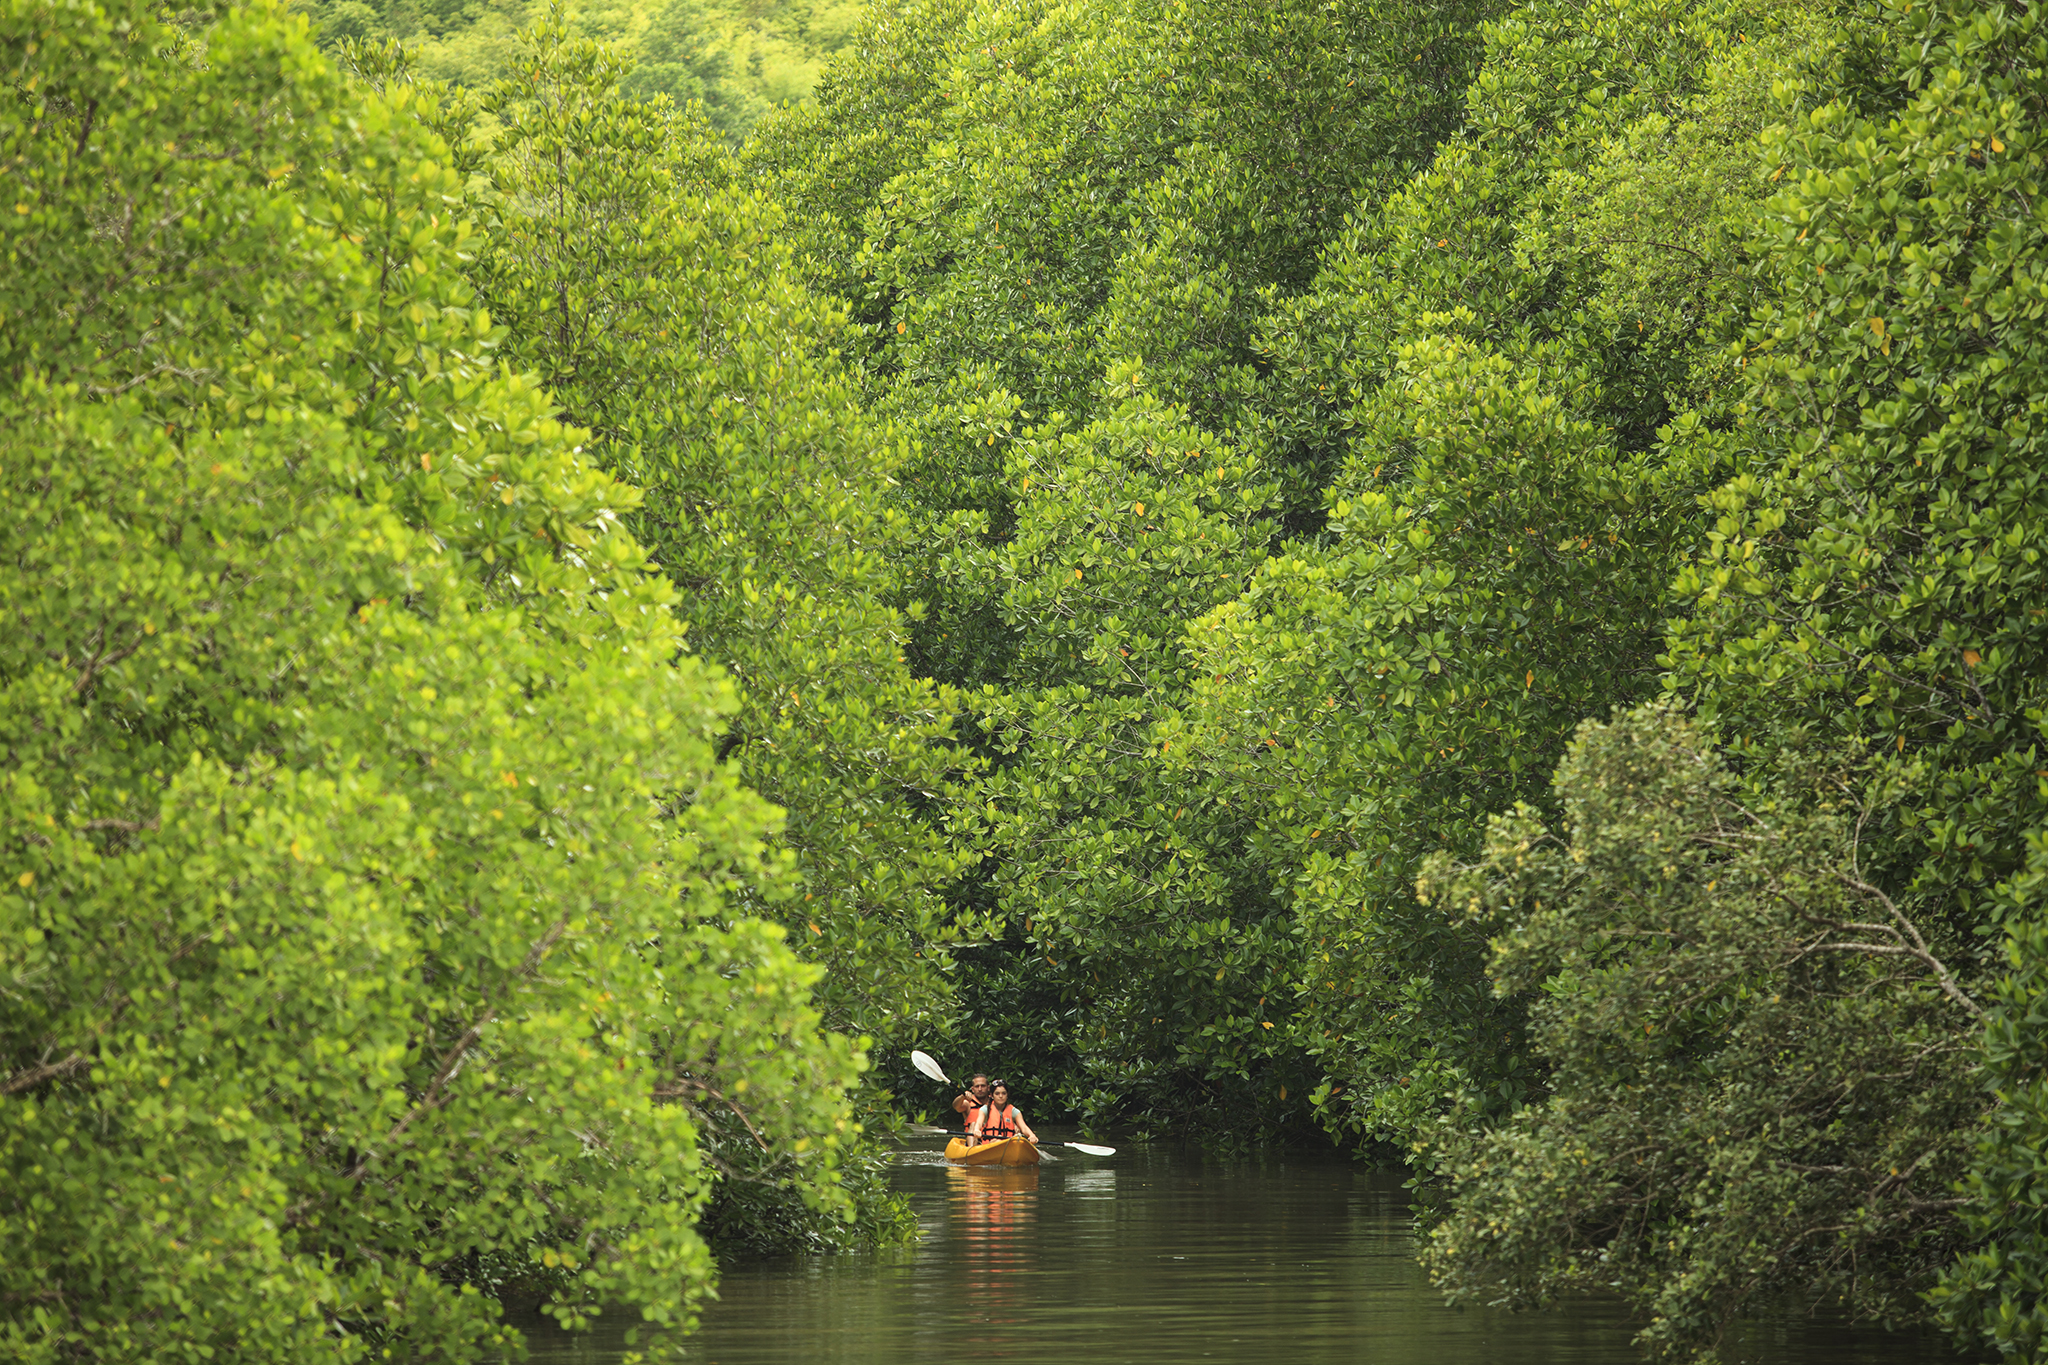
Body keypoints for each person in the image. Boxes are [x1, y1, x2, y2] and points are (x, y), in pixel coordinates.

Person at [967, 1080, 1038, 1146]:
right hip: (989, 1144)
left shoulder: (1014, 1111)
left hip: (1008, 1144)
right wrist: (976, 1130)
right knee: (997, 1141)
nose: (1000, 1096)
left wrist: (1031, 1135)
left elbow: (1024, 1127)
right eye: (997, 1093)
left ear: (1007, 1095)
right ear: (991, 1095)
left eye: (1003, 1093)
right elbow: (979, 1123)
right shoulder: (985, 1109)